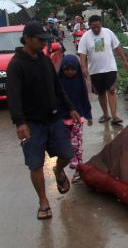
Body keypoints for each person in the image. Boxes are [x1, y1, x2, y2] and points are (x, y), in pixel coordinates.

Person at [7, 21, 81, 220]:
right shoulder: (16, 65)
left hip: (54, 118)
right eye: (40, 40)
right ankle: (43, 202)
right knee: (35, 164)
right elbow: (13, 97)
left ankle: (58, 171)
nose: (43, 44)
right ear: (28, 39)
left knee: (66, 154)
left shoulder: (45, 60)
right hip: (31, 123)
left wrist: (71, 107)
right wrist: (19, 123)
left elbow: (58, 87)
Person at [78, 15, 128, 125]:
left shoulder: (108, 33)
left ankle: (115, 116)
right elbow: (82, 53)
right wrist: (83, 67)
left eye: (98, 27)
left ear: (101, 24)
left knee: (111, 90)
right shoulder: (85, 37)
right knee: (101, 93)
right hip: (95, 70)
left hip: (110, 67)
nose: (96, 29)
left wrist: (124, 59)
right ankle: (106, 114)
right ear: (90, 26)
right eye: (93, 27)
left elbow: (117, 47)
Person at [58, 55, 93, 182]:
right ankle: (65, 168)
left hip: (78, 118)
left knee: (77, 144)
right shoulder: (59, 83)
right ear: (62, 69)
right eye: (67, 69)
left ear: (77, 69)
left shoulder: (80, 82)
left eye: (73, 69)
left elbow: (85, 99)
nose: (70, 72)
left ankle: (78, 167)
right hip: (63, 119)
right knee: (65, 145)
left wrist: (88, 115)